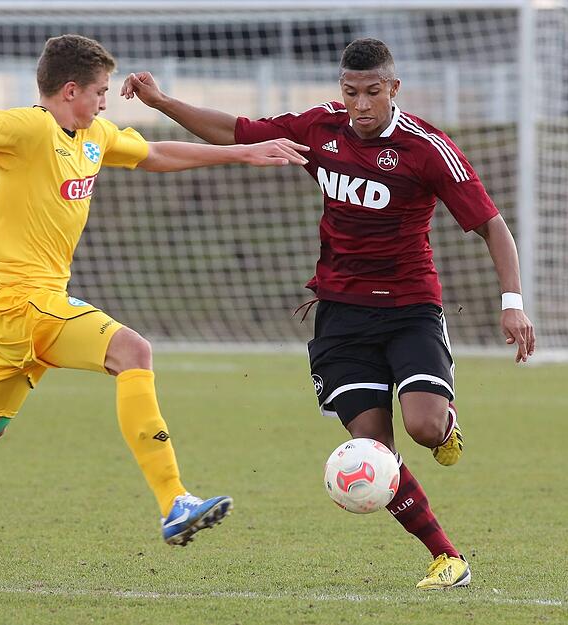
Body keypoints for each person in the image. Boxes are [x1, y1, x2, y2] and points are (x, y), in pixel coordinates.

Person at [0, 34, 309, 587]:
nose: (106, 102)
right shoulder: (27, 128)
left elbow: (156, 154)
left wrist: (241, 152)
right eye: (100, 92)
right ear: (70, 90)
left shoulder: (94, 135)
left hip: (36, 305)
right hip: (21, 301)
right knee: (133, 351)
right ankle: (174, 501)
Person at [121, 37, 536, 590]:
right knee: (373, 451)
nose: (360, 104)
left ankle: (446, 428)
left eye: (372, 92)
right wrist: (161, 102)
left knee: (424, 427)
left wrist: (512, 304)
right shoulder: (320, 127)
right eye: (350, 92)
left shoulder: (427, 149)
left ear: (394, 88)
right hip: (341, 315)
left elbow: (492, 225)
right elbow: (238, 130)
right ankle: (447, 558)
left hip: (410, 308)